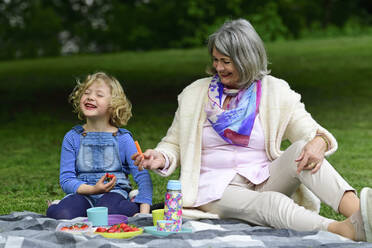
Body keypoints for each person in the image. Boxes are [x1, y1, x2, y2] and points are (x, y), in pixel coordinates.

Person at [132, 19, 372, 242]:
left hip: (263, 176)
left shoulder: (275, 91)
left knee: (301, 149)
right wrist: (161, 157)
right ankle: (344, 230)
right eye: (216, 60)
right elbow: (173, 143)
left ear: (247, 59)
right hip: (215, 189)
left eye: (226, 62)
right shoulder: (195, 94)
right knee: (270, 203)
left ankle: (363, 217)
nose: (218, 67)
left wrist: (318, 141)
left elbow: (307, 129)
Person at [47, 72, 152, 220]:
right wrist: (92, 189)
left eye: (99, 95)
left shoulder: (123, 139)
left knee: (109, 212)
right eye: (87, 93)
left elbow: (142, 176)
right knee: (61, 214)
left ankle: (132, 202)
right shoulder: (73, 137)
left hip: (114, 193)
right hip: (83, 193)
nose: (90, 97)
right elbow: (66, 179)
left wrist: (144, 212)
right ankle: (61, 205)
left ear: (113, 104)